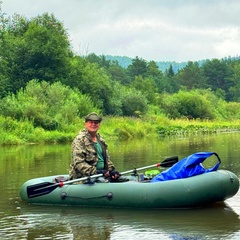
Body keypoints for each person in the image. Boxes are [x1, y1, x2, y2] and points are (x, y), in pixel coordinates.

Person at [69, 112, 120, 182]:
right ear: (85, 124)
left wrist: (111, 170)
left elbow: (107, 160)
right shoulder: (80, 140)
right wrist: (97, 172)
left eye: (96, 122)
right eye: (91, 122)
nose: (93, 124)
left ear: (99, 125)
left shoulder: (100, 139)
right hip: (84, 178)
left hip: (101, 175)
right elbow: (79, 163)